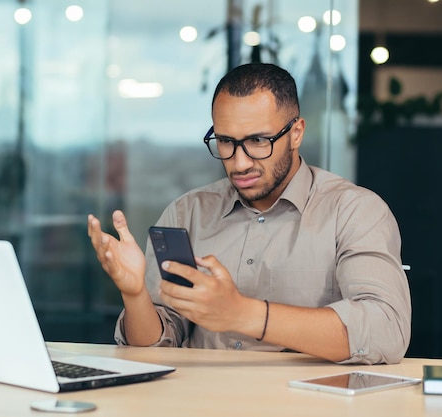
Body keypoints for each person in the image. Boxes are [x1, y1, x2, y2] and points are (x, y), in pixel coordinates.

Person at [88, 63, 411, 364]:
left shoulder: (354, 211)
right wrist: (135, 294)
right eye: (226, 141)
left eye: (258, 140)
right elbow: (155, 348)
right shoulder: (188, 212)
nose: (239, 163)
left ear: (296, 133)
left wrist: (242, 313)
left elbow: (387, 331)